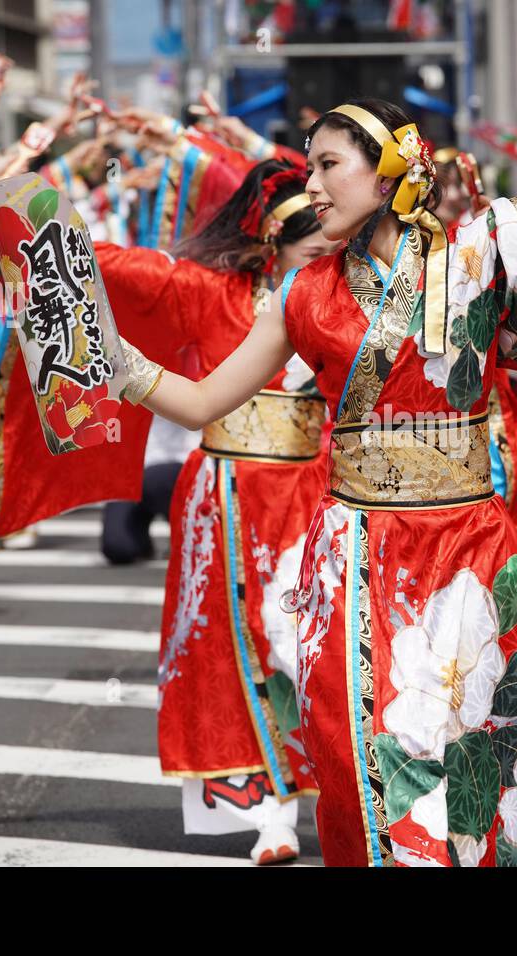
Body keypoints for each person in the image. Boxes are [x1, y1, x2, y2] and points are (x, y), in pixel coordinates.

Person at [109, 46, 517, 865]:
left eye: (328, 165)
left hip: (466, 551)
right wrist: (107, 354)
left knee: (477, 762)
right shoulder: (303, 293)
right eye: (309, 167)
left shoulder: (477, 253)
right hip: (356, 556)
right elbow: (203, 400)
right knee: (365, 761)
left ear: (390, 168)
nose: (310, 185)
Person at [95, 148, 340, 864]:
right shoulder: (213, 293)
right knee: (235, 654)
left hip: (313, 494)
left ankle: (332, 797)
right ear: (275, 246)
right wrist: (34, 237)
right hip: (225, 499)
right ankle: (270, 815)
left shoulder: (347, 301)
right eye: (313, 251)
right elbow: (125, 268)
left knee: (311, 655)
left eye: (333, 250)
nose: (326, 261)